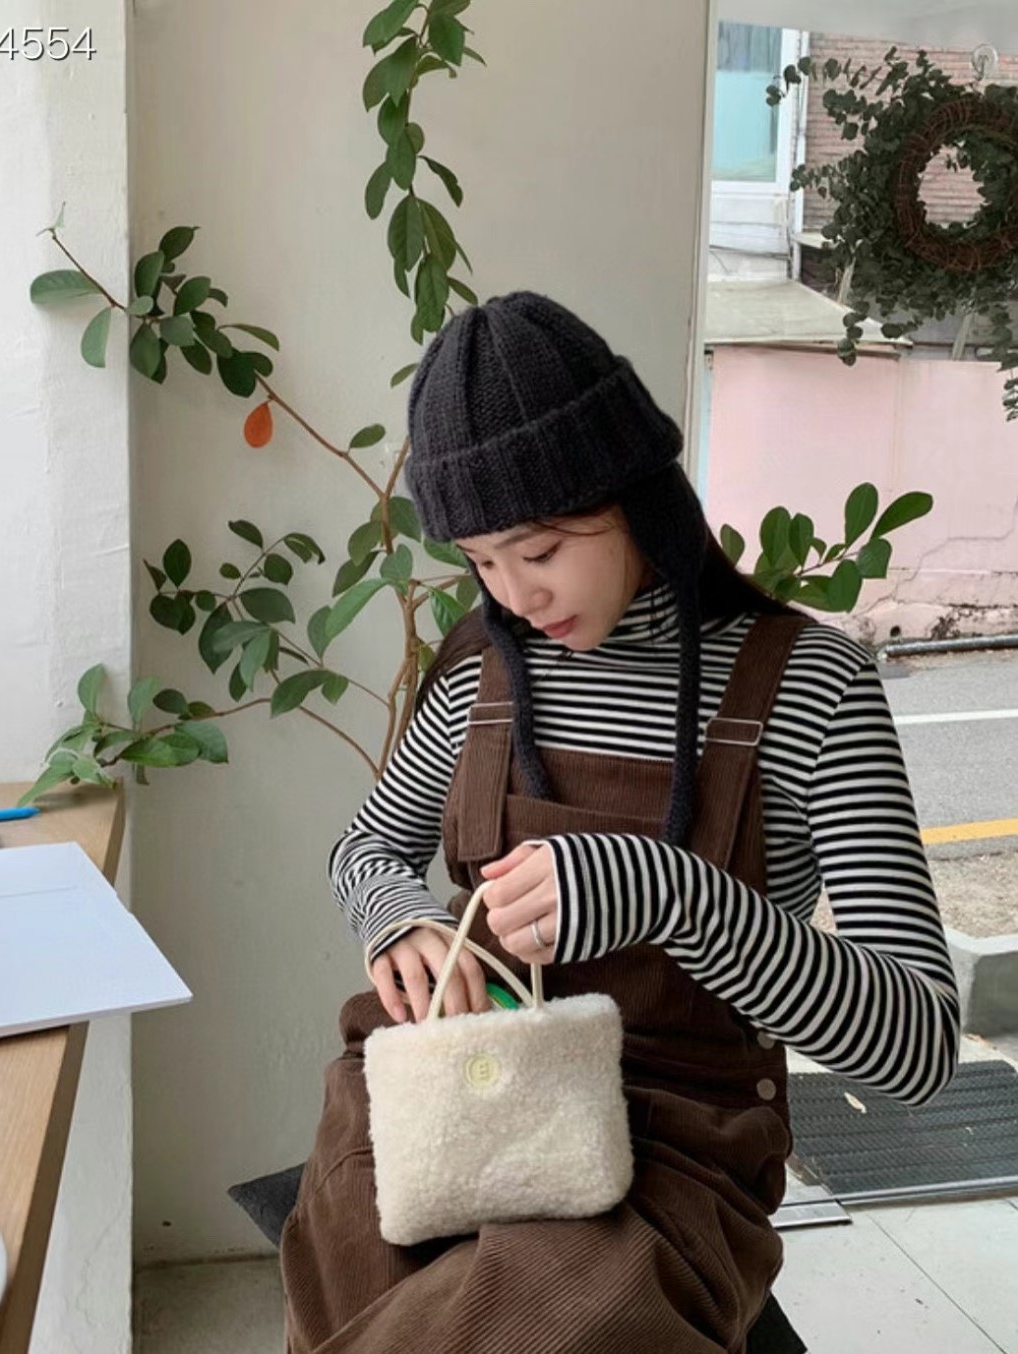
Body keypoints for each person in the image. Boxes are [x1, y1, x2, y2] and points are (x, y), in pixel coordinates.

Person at [280, 292, 959, 1353]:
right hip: (450, 1097)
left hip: (672, 1145)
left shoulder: (811, 687)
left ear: (635, 492)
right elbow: (367, 847)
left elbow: (915, 1047)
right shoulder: (481, 669)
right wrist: (397, 919)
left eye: (540, 549)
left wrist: (673, 896)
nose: (513, 594)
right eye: (480, 560)